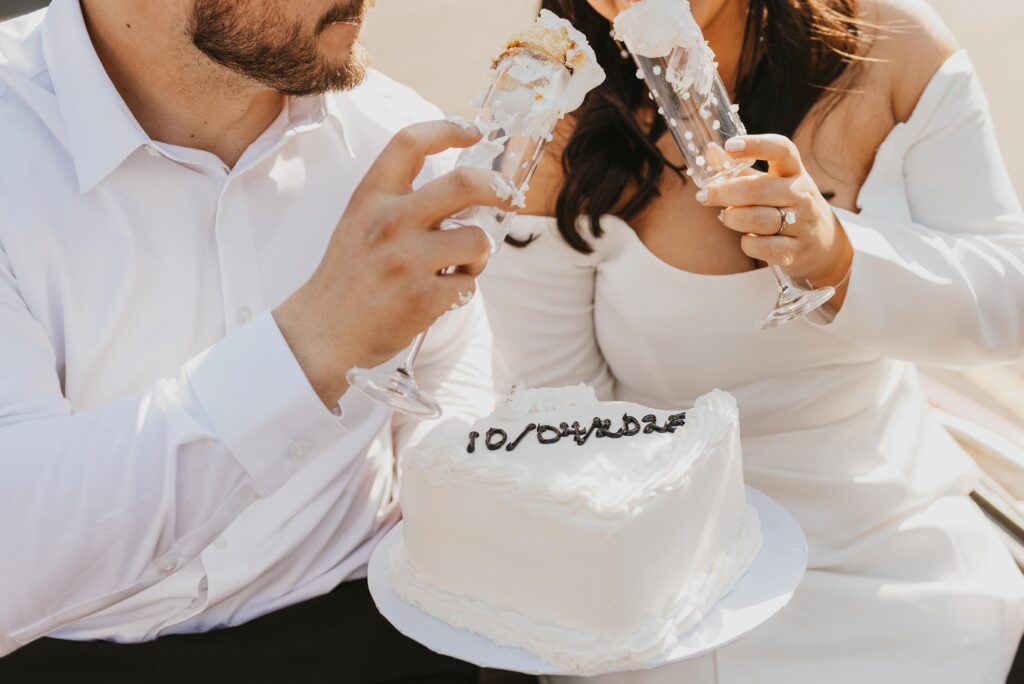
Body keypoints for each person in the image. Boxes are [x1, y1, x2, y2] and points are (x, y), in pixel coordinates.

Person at [482, 0, 1024, 681]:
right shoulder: (546, 111)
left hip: (886, 543)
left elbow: (1010, 303)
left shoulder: (892, 46)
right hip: (663, 558)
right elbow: (558, 410)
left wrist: (839, 254)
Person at [0, 0, 510, 681]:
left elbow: (451, 359)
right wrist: (312, 344)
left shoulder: (392, 131)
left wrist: (449, 514)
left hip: (382, 632)